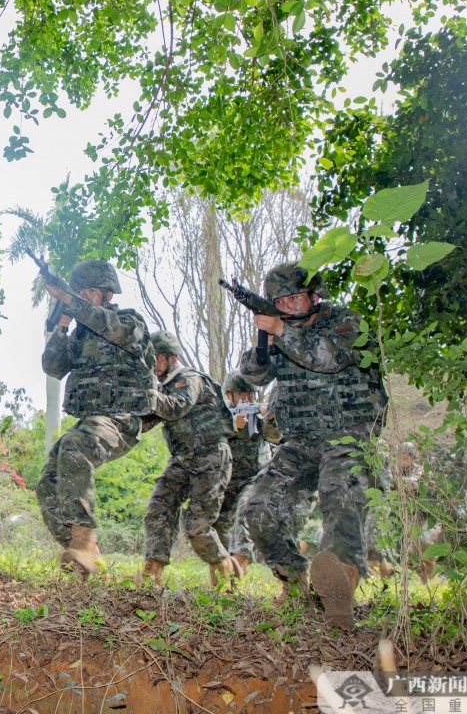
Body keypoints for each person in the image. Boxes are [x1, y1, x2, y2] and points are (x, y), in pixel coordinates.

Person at [239, 262, 387, 629]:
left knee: (339, 493)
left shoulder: (345, 322)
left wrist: (280, 332)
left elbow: (328, 358)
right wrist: (265, 341)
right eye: (280, 301)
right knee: (258, 509)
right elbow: (253, 375)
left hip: (348, 434)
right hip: (300, 441)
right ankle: (295, 584)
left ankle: (341, 585)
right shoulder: (280, 330)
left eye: (294, 297)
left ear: (313, 295)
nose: (288, 306)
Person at [38, 259, 155, 577]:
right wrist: (62, 325)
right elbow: (53, 367)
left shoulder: (128, 321)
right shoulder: (77, 335)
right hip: (90, 421)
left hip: (121, 420)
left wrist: (69, 300)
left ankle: (82, 542)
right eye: (81, 292)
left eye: (91, 292)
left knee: (75, 445)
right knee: (47, 485)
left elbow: (109, 327)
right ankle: (88, 554)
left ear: (107, 294)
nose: (84, 297)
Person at [139, 331, 237, 587]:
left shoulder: (189, 379)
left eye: (153, 359)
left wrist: (147, 394)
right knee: (157, 509)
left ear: (167, 358)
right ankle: (153, 572)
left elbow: (175, 407)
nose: (150, 365)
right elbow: (146, 421)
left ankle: (224, 574)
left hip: (210, 456)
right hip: (183, 459)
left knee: (197, 525)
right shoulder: (164, 388)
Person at [219, 371, 267, 575]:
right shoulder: (219, 416)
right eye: (243, 394)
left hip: (254, 478)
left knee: (246, 511)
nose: (248, 399)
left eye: (251, 395)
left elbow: (275, 437)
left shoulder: (259, 414)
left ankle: (239, 565)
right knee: (216, 522)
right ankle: (222, 568)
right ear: (229, 396)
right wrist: (231, 424)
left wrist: (269, 419)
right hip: (226, 479)